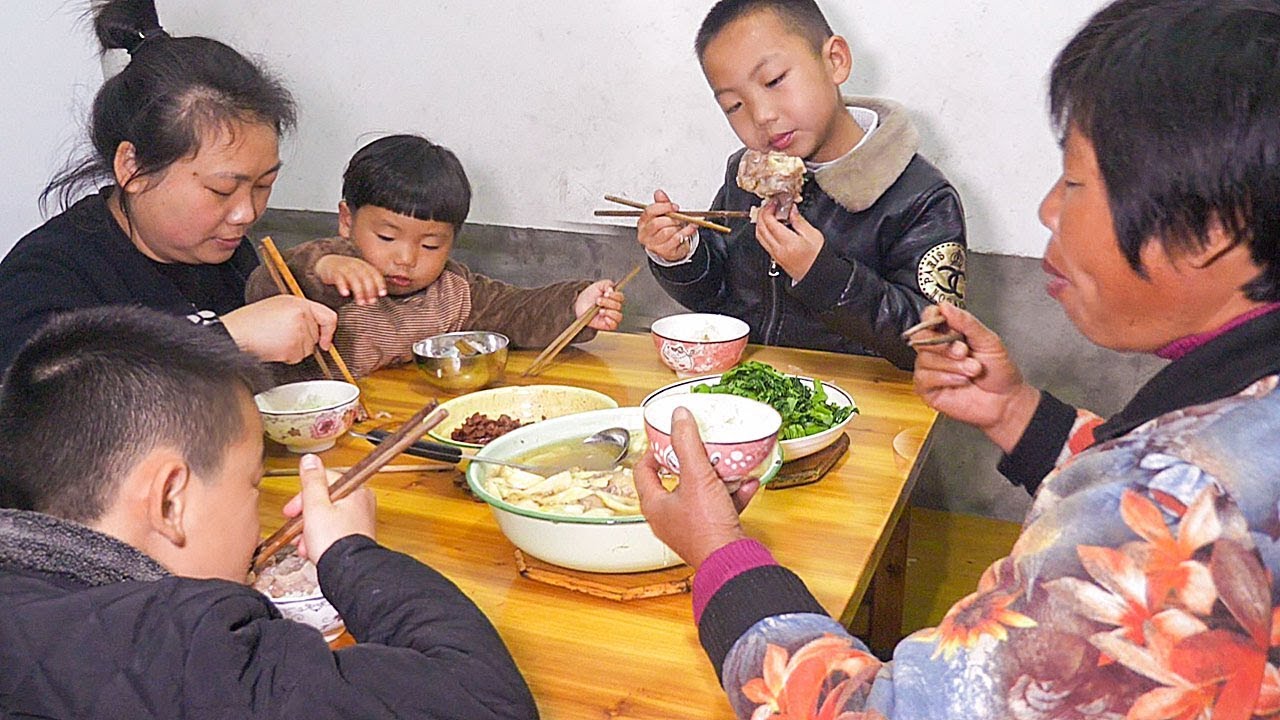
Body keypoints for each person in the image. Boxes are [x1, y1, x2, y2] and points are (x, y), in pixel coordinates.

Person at [634, 1, 1280, 717]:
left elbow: (888, 707)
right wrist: (1016, 414)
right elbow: (727, 279)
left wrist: (720, 552)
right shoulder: (1235, 418)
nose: (1044, 211)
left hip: (859, 444)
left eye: (1074, 181)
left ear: (1214, 225)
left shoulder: (918, 196)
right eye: (733, 104)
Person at [0, 306, 538, 718]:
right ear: (169, 500)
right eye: (253, 485)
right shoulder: (184, 646)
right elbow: (485, 701)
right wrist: (353, 557)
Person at [0, 0, 335, 374]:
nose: (248, 213)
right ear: (134, 168)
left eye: (264, 184)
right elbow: (45, 395)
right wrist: (224, 336)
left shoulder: (225, 253)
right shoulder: (46, 274)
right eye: (222, 190)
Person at [636, 0, 966, 371]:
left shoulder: (921, 198)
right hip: (755, 396)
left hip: (864, 409)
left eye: (775, 81)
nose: (762, 115)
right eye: (734, 105)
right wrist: (682, 255)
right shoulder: (745, 175)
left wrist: (822, 275)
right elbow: (721, 298)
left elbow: (935, 339)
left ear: (835, 60)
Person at [246, 134, 624, 377]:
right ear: (347, 220)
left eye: (430, 245)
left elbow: (515, 309)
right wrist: (324, 267)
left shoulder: (451, 291)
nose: (406, 258)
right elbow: (264, 291)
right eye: (387, 236)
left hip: (404, 423)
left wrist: (575, 305)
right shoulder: (330, 273)